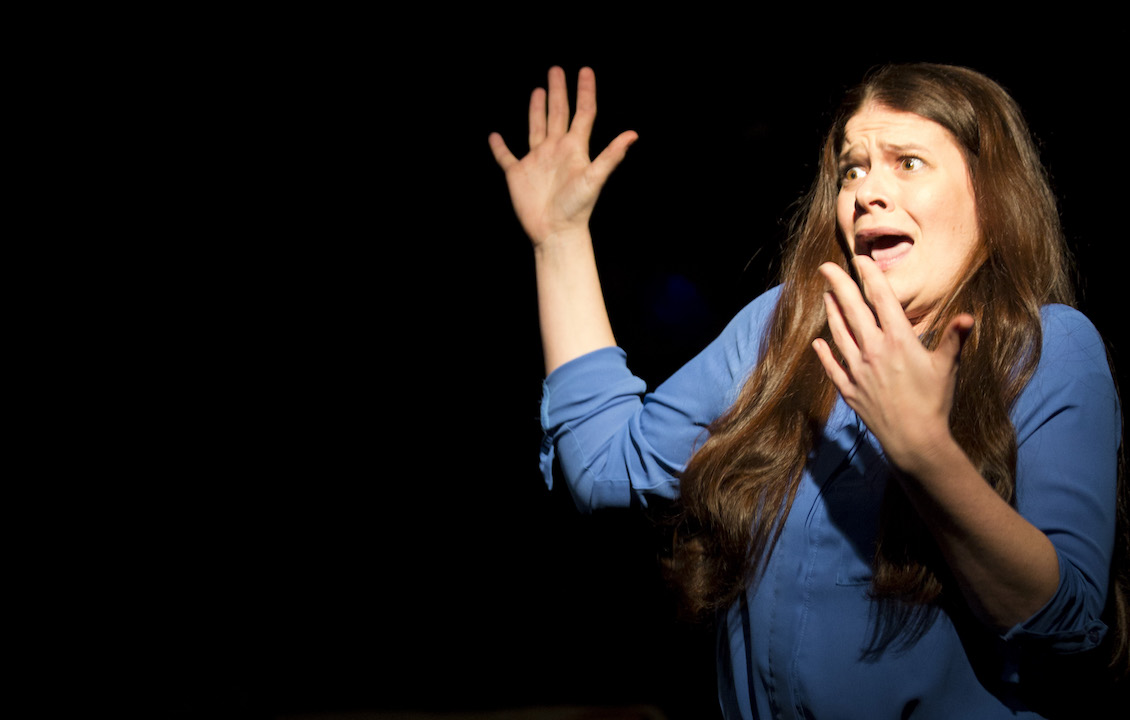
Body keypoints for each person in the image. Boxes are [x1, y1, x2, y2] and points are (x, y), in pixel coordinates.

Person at [489, 64, 1127, 718]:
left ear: (991, 194)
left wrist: (924, 453)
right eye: (853, 168)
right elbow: (603, 467)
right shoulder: (784, 329)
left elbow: (1066, 625)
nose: (867, 191)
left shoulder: (1047, 347)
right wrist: (561, 241)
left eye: (907, 162)